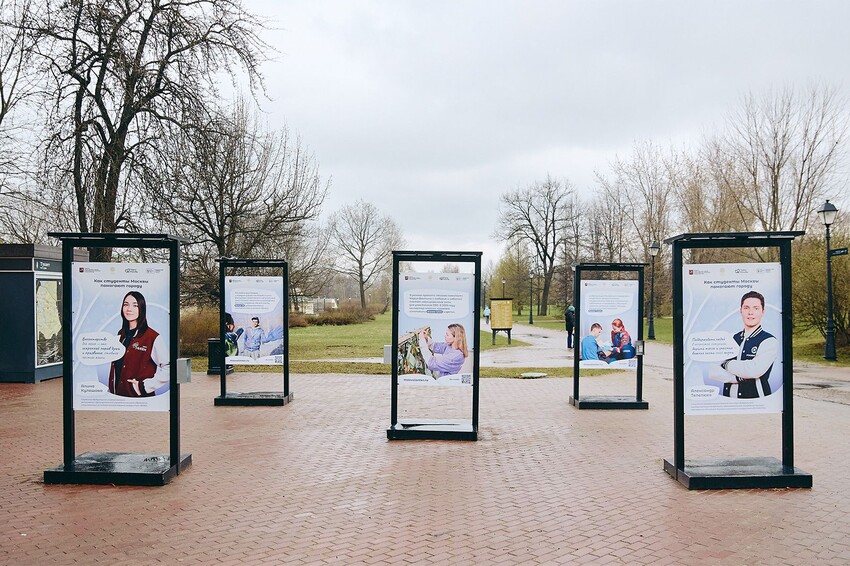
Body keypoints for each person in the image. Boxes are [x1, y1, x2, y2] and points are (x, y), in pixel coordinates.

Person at [718, 290, 778, 399]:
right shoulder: (731, 338)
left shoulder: (769, 341)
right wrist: (739, 374)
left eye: (756, 308)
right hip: (727, 402)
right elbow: (713, 370)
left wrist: (726, 364)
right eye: (746, 308)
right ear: (740, 311)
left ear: (763, 312)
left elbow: (753, 370)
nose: (750, 312)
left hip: (757, 403)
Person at [108, 291, 168, 398]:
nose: (129, 309)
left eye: (135, 305)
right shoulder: (121, 334)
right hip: (117, 397)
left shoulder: (152, 337)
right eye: (126, 304)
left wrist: (144, 386)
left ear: (142, 309)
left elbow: (169, 367)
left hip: (140, 399)